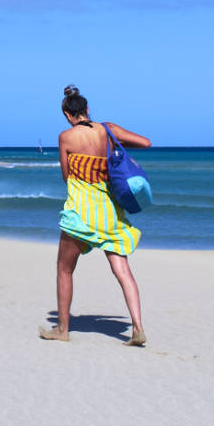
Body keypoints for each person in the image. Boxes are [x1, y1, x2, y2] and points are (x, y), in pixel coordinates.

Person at [44, 85, 151, 346]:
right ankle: (137, 328)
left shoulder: (66, 137)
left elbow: (66, 176)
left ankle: (63, 329)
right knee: (122, 269)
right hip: (109, 212)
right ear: (87, 109)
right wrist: (113, 144)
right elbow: (145, 143)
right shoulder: (108, 129)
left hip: (81, 211)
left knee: (64, 268)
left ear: (67, 115)